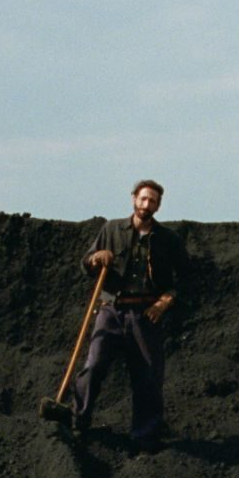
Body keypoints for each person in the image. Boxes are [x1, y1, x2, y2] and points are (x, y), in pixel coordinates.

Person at [72, 179, 189, 452]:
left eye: (153, 201)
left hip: (145, 314)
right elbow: (85, 264)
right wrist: (96, 258)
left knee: (148, 375)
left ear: (158, 206)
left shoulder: (167, 240)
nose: (147, 205)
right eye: (143, 199)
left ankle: (145, 437)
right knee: (94, 365)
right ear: (134, 199)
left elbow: (186, 277)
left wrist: (165, 301)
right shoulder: (112, 229)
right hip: (111, 310)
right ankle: (78, 422)